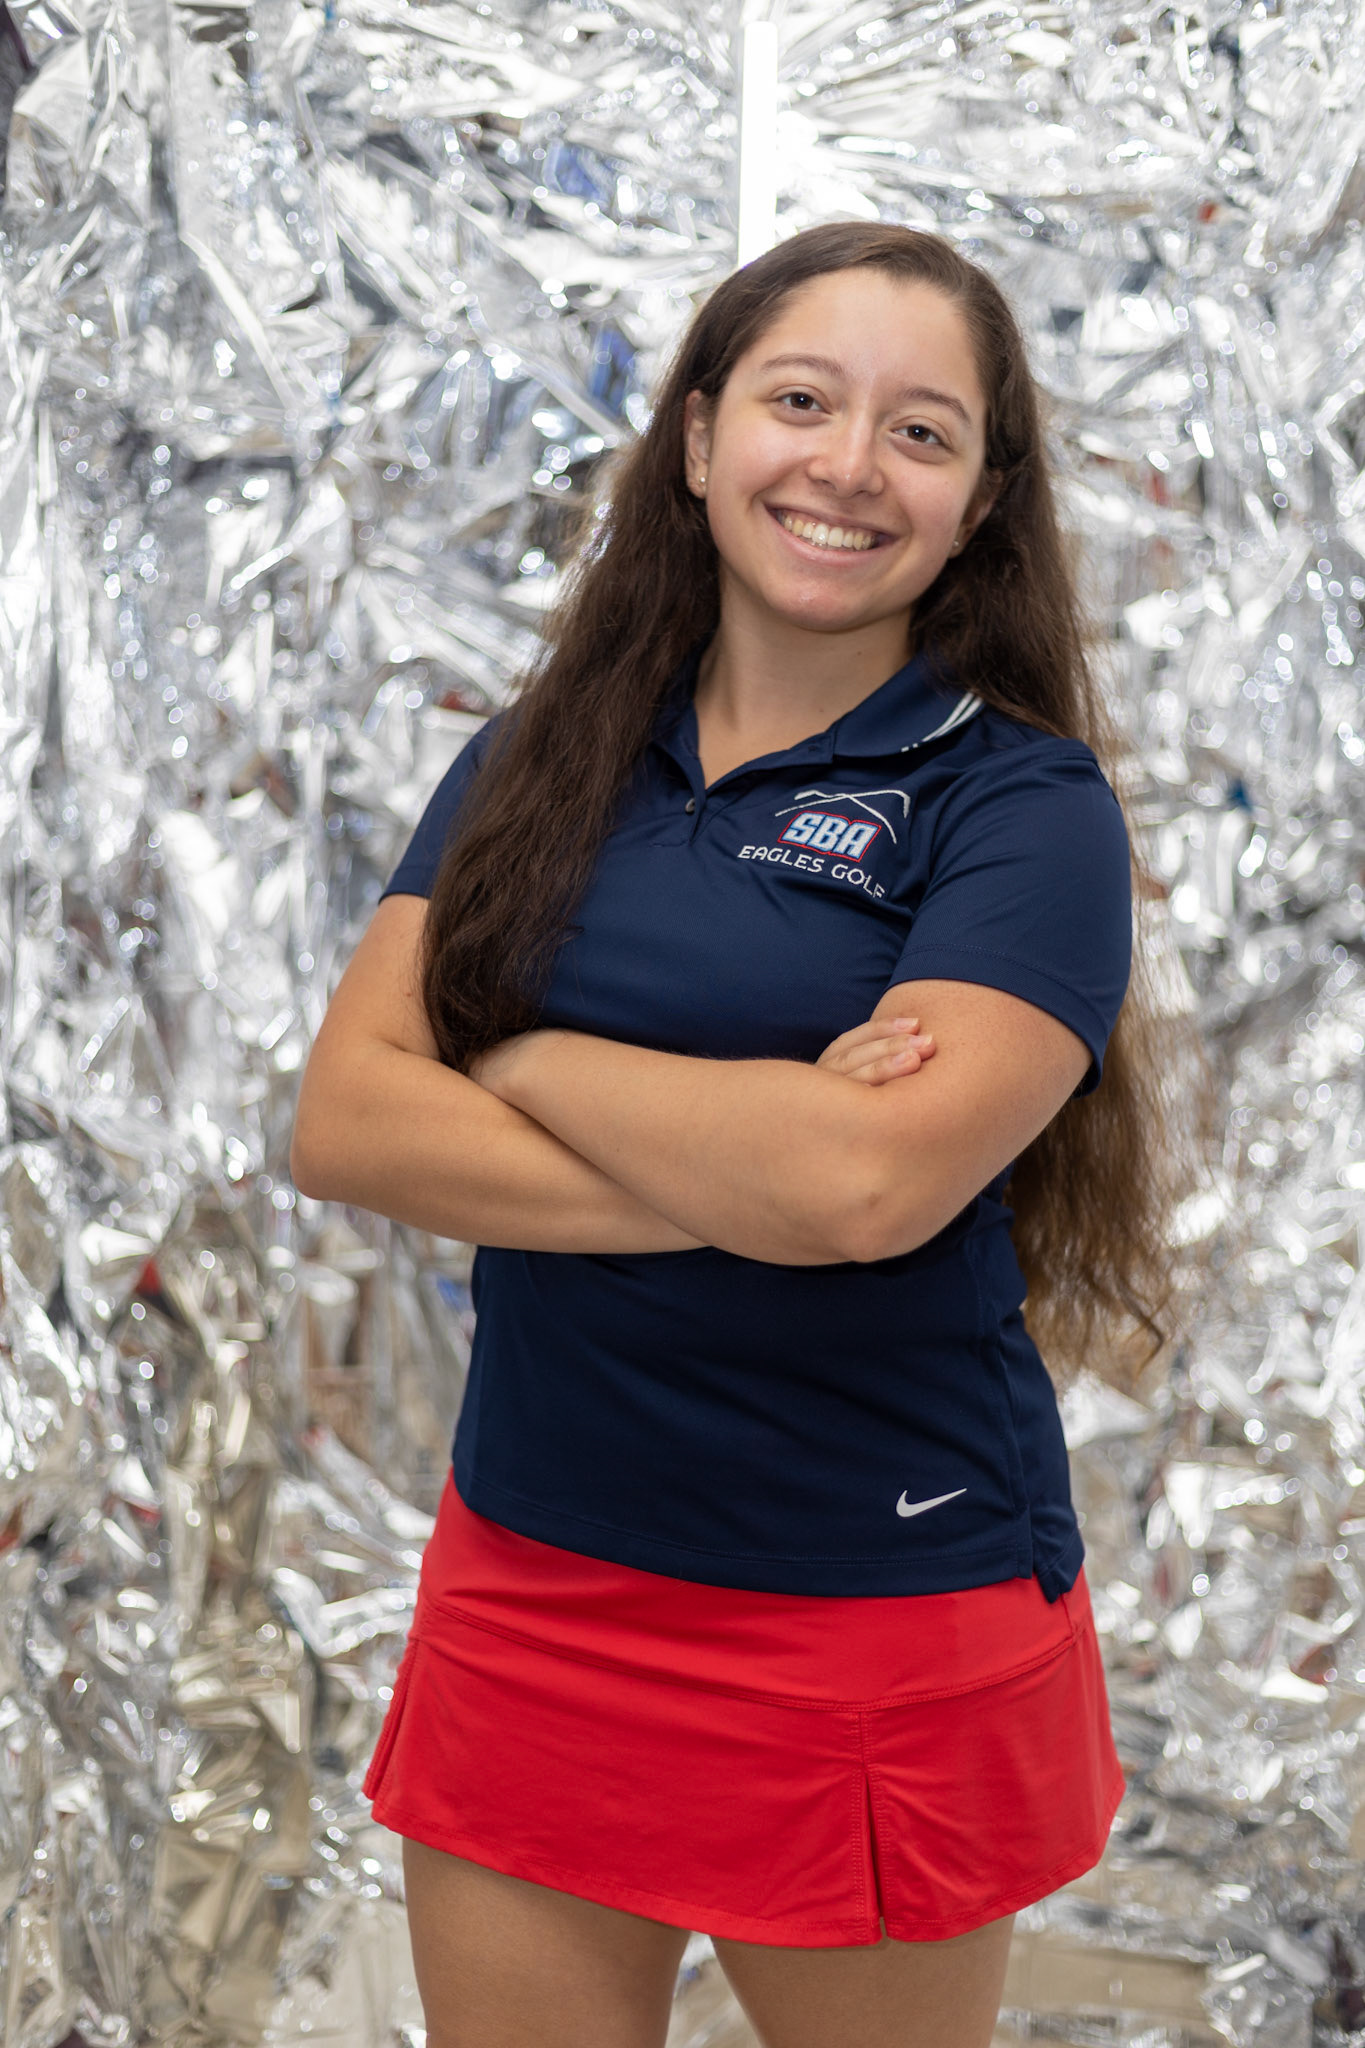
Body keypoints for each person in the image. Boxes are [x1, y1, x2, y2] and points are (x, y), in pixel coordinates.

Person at [291, 221, 1182, 2048]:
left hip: (869, 1609)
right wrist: (746, 1167)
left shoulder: (1022, 810)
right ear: (698, 437)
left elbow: (863, 1182)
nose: (848, 465)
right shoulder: (539, 756)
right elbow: (350, 1118)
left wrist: (517, 1052)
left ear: (979, 504)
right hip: (535, 1577)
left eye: (919, 432)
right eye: (798, 402)